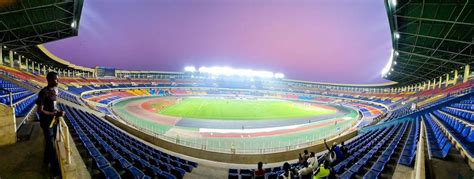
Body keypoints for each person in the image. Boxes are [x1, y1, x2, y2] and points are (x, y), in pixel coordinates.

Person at [36, 72, 65, 177]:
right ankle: (55, 171)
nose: (58, 81)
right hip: (47, 123)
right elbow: (40, 110)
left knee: (49, 144)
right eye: (56, 79)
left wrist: (57, 113)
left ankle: (45, 160)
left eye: (58, 79)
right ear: (49, 80)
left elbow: (53, 106)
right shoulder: (43, 92)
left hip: (54, 122)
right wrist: (54, 113)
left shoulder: (54, 91)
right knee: (52, 146)